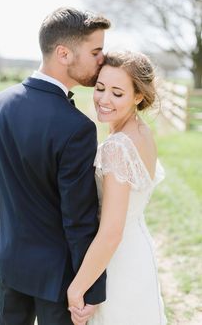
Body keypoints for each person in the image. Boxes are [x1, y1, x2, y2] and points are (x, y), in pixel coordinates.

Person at [0, 7, 111, 325]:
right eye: (96, 51)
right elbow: (78, 219)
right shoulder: (75, 126)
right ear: (63, 53)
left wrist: (9, 239)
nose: (102, 59)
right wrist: (89, 290)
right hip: (59, 276)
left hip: (11, 260)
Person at [67, 51, 167, 325]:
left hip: (117, 261)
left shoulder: (118, 146)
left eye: (117, 93)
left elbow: (111, 232)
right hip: (137, 249)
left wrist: (77, 288)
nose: (104, 99)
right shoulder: (141, 132)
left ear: (138, 96)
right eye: (100, 88)